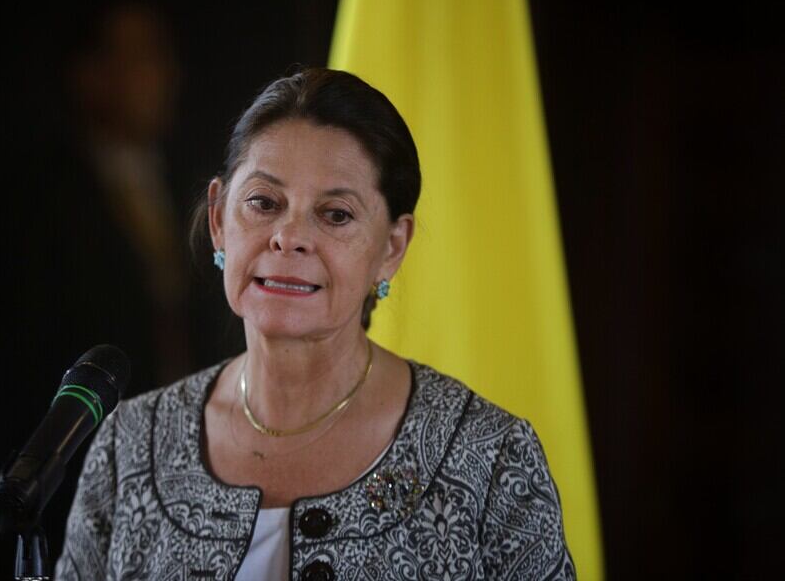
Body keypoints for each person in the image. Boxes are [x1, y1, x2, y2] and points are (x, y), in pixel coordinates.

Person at [54, 68, 575, 580]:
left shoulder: (490, 458)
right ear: (218, 221)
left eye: (336, 214)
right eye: (264, 203)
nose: (289, 237)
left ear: (391, 249)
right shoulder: (128, 447)